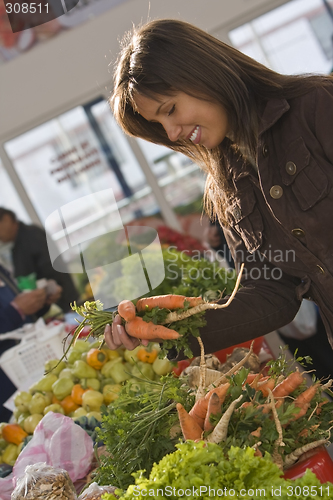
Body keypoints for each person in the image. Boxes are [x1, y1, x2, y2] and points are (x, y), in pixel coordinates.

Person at [103, 19, 333, 360]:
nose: (170, 132)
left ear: (203, 74)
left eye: (170, 110)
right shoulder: (226, 188)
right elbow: (270, 293)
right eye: (158, 124)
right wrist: (162, 331)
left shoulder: (316, 105)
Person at [0, 263, 61, 421]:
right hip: (6, 391)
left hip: (28, 371)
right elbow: (13, 312)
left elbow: (21, 319)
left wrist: (40, 303)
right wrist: (15, 311)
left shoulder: (2, 270)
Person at [0, 208, 79, 313]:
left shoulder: (31, 235)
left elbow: (51, 270)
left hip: (61, 301)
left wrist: (48, 292)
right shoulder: (18, 242)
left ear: (6, 219)